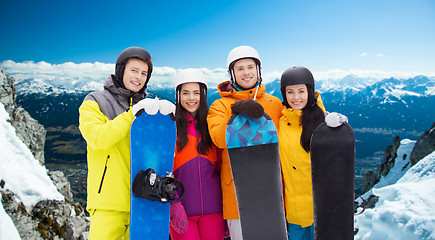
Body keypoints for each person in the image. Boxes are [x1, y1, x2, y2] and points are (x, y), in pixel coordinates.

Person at [79, 47, 172, 240]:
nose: (139, 77)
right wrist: (132, 115)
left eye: (144, 73)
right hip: (108, 203)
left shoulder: (148, 108)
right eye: (134, 70)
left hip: (143, 200)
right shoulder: (95, 101)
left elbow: (158, 152)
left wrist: (168, 121)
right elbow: (98, 138)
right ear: (121, 70)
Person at [207, 46, 284, 240]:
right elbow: (218, 138)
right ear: (232, 74)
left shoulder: (274, 104)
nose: (246, 72)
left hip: (271, 191)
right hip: (238, 193)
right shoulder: (220, 105)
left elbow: (293, 128)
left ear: (259, 70)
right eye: (240, 68)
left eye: (250, 67)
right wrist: (236, 111)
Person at [278, 66, 347, 240]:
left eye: (301, 91)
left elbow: (337, 162)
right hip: (294, 211)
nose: (296, 97)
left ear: (310, 91)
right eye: (290, 92)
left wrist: (338, 129)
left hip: (321, 208)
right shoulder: (280, 123)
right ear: (284, 94)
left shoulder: (323, 121)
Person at [169, 68, 225, 240]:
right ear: (178, 96)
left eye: (196, 93)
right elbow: (164, 171)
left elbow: (224, 167)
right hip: (183, 212)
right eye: (185, 93)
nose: (191, 98)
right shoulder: (171, 127)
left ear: (203, 95)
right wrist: (174, 204)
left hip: (214, 212)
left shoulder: (212, 126)